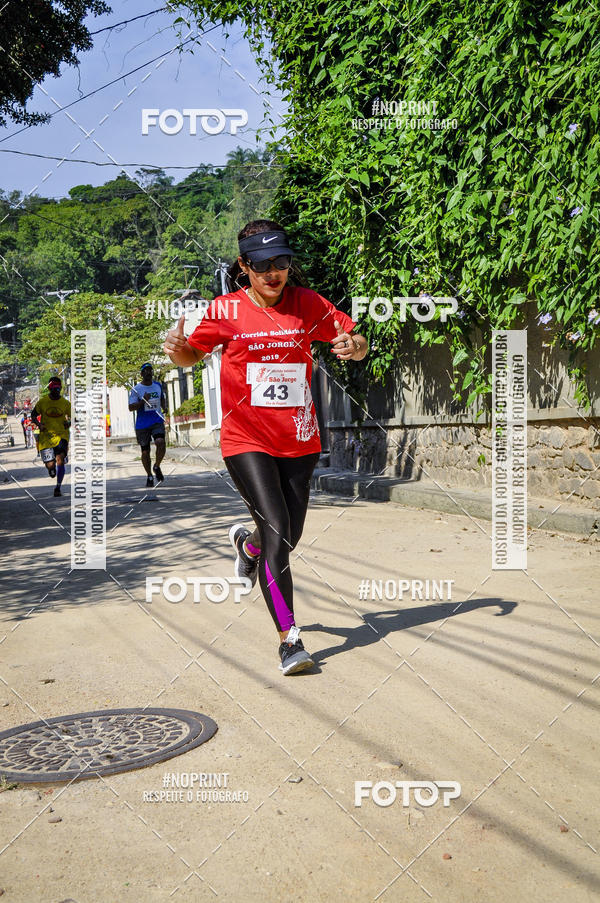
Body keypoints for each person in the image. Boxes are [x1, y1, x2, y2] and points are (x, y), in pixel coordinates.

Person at [163, 219, 367, 675]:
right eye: (262, 265)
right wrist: (176, 348)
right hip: (246, 439)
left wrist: (353, 346)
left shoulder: (307, 304)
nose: (273, 273)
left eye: (281, 263)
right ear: (244, 265)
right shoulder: (226, 311)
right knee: (277, 526)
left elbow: (354, 339)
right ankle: (289, 641)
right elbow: (190, 355)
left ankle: (249, 548)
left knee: (285, 538)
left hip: (298, 437)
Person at [30, 377, 71, 497]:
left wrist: (68, 423)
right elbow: (33, 415)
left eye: (58, 388)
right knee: (51, 466)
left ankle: (58, 487)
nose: (56, 391)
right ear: (49, 389)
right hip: (46, 437)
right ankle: (51, 469)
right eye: (54, 389)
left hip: (61, 435)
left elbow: (75, 417)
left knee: (60, 460)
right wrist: (39, 424)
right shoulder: (42, 402)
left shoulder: (65, 403)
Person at [128, 363, 167, 487]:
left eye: (150, 370)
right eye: (145, 371)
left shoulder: (158, 385)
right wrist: (143, 401)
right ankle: (149, 475)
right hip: (142, 424)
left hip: (157, 420)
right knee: (145, 452)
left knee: (160, 442)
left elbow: (162, 397)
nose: (148, 373)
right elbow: (130, 407)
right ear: (141, 374)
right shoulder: (136, 389)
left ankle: (157, 466)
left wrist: (164, 406)